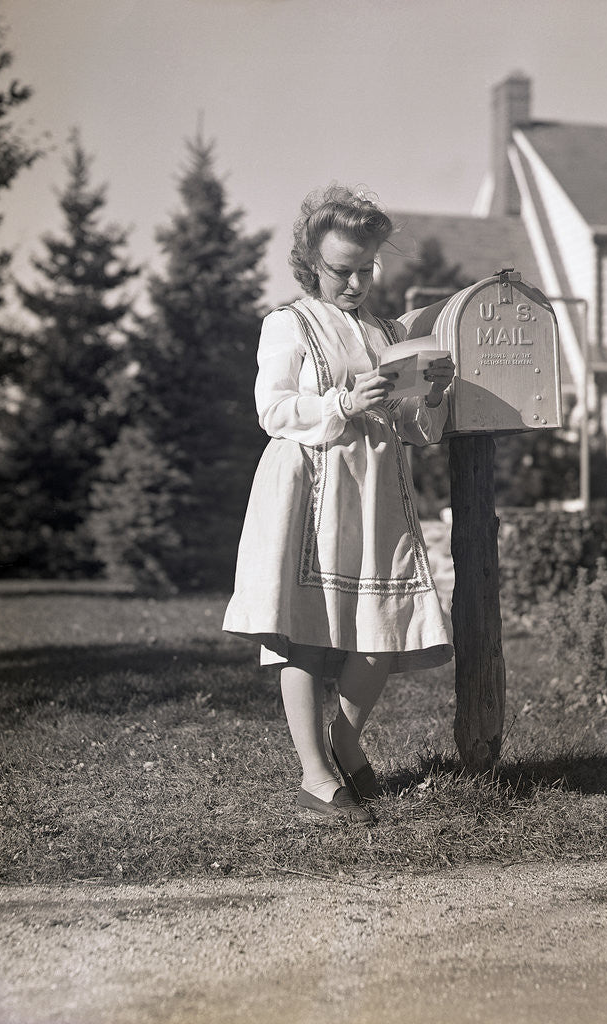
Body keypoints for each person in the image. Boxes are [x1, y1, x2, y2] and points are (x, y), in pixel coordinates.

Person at [223, 185, 455, 824]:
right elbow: (272, 410)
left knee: (380, 623)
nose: (357, 282)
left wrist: (427, 398)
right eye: (342, 271)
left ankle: (346, 739)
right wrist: (343, 404)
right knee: (304, 632)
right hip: (308, 480)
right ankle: (315, 772)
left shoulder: (387, 331)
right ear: (311, 263)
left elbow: (413, 427)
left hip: (376, 485)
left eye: (367, 268)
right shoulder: (288, 323)